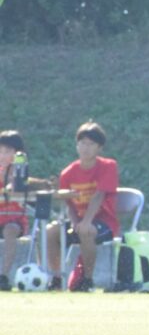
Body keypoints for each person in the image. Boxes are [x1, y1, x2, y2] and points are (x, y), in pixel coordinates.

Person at [44, 122, 120, 292]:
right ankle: (57, 278)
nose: (86, 148)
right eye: (82, 143)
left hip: (104, 223)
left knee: (87, 231)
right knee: (50, 231)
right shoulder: (68, 173)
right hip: (80, 221)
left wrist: (86, 221)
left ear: (99, 147)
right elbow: (68, 202)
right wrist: (74, 222)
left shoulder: (108, 166)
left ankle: (87, 280)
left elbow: (99, 196)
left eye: (91, 144)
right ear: (77, 145)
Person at [0, 130, 48, 291]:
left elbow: (21, 188)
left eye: (7, 151)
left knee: (10, 230)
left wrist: (13, 180)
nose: (2, 156)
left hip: (15, 222)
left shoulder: (21, 174)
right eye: (0, 151)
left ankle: (3, 276)